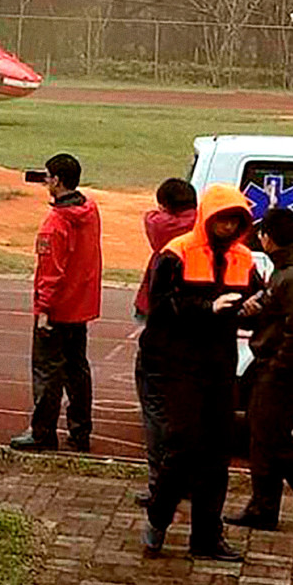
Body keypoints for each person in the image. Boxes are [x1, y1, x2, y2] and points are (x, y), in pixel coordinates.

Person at [140, 185, 261, 562]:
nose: (227, 227)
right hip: (175, 362)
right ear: (207, 217)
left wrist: (255, 308)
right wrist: (207, 308)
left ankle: (207, 535)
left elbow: (257, 299)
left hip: (220, 364)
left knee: (216, 452)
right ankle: (158, 518)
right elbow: (158, 307)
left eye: (235, 221)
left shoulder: (245, 259)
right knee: (183, 444)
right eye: (222, 219)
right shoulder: (176, 254)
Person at [224, 207, 293, 541]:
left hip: (282, 373)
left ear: (271, 239)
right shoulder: (289, 270)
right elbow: (278, 311)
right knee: (263, 439)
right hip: (277, 368)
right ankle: (262, 507)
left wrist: (279, 368)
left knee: (278, 445)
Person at [9, 153, 102, 454]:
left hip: (58, 308)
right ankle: (80, 431)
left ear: (57, 180)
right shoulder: (90, 210)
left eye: (48, 176)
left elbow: (50, 272)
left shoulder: (55, 224)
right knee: (78, 370)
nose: (45, 181)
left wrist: (43, 311)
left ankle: (42, 432)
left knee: (47, 372)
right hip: (81, 306)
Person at [134, 178, 199, 508]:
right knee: (186, 412)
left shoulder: (166, 230)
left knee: (156, 409)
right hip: (196, 331)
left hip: (163, 329)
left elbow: (151, 220)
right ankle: (184, 479)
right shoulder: (207, 231)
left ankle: (161, 482)